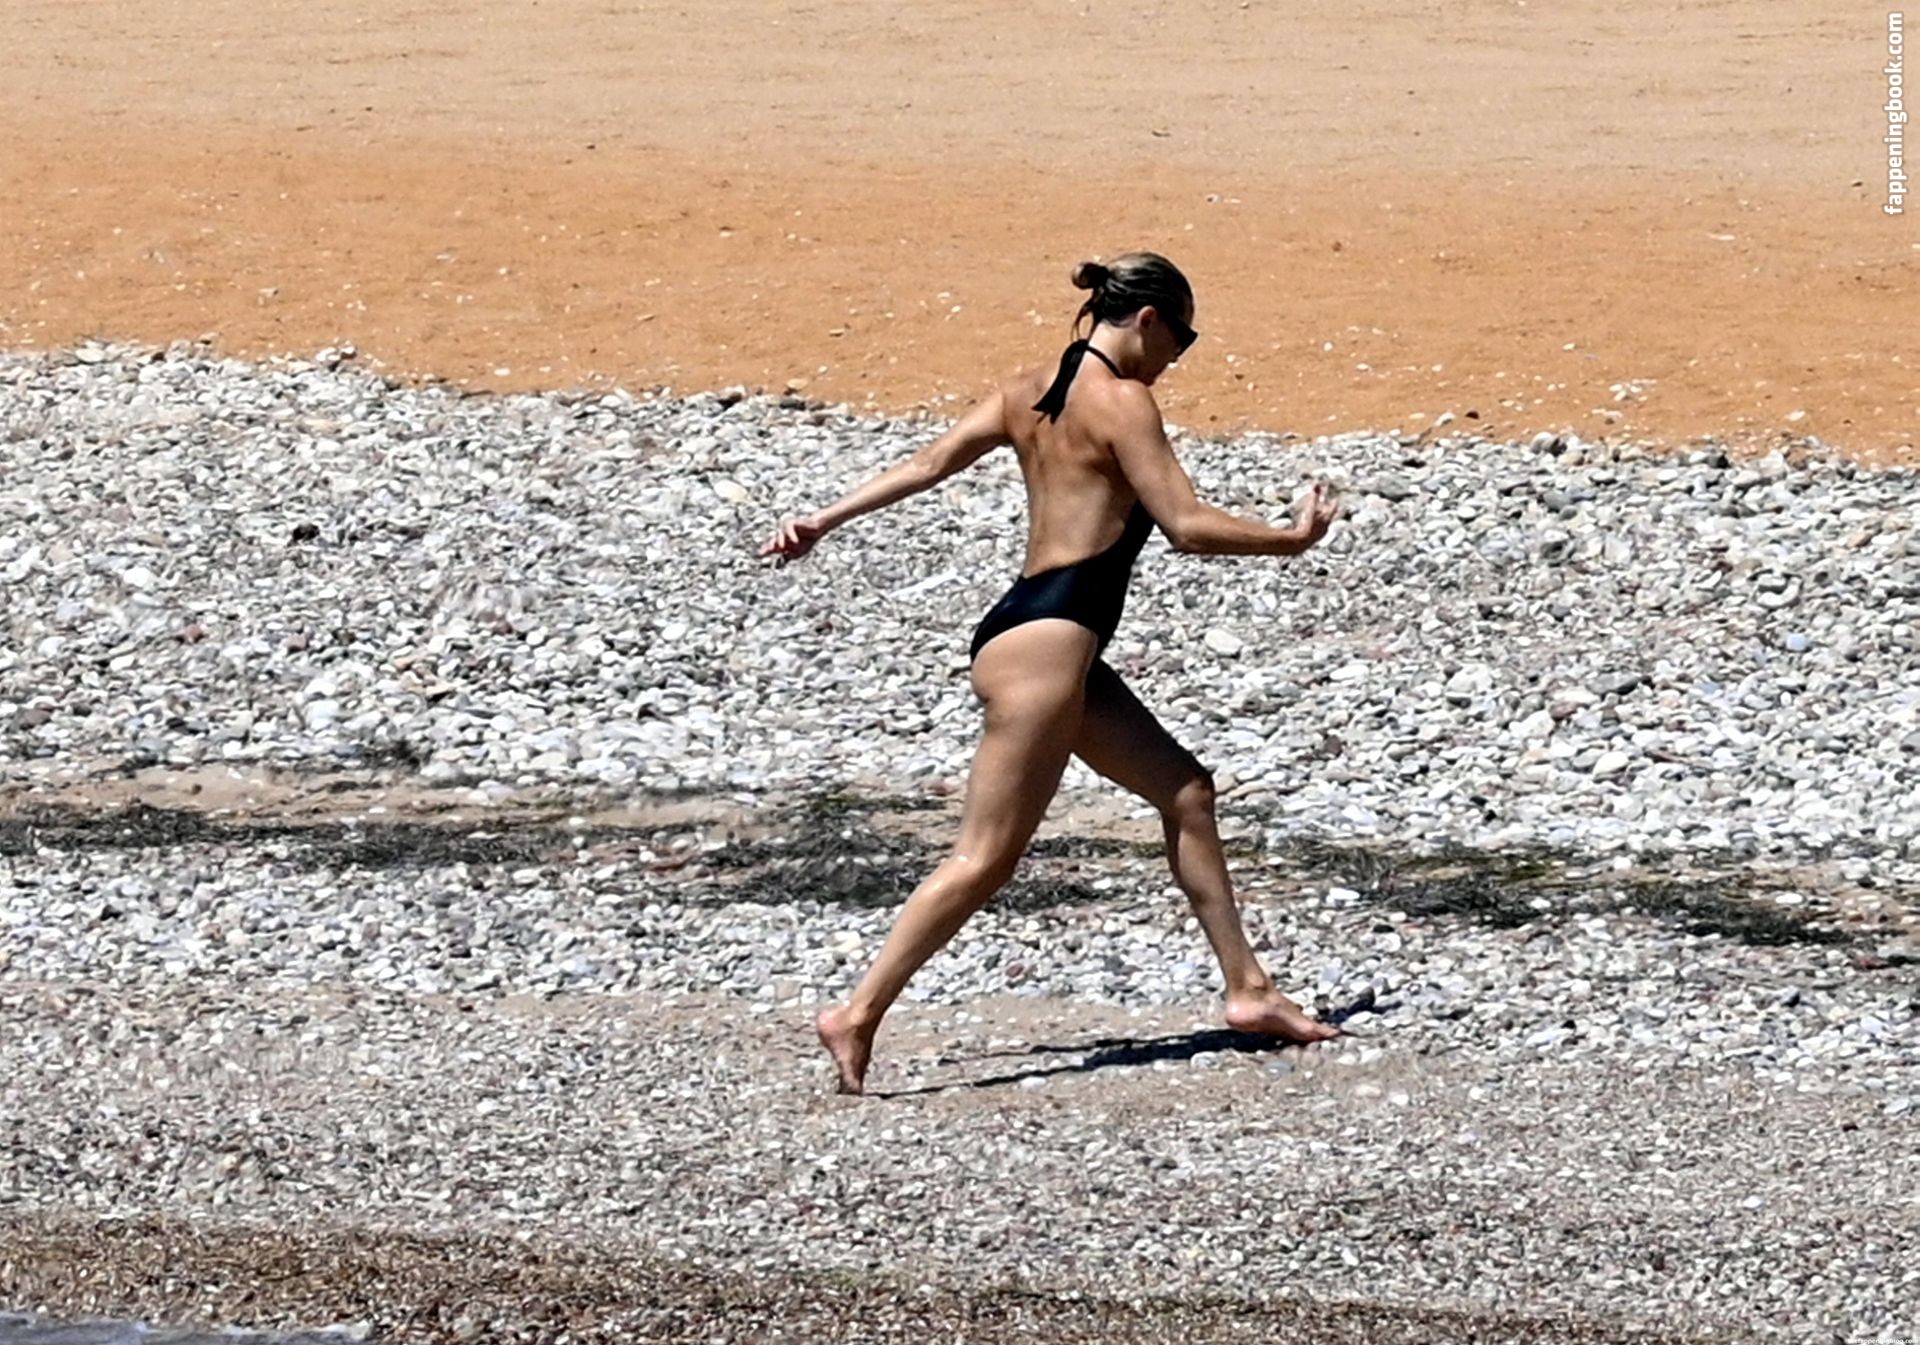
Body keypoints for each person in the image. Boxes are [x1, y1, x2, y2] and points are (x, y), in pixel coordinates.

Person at [759, 251, 1344, 1095]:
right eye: (1181, 339)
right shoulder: (1123, 401)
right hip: (1047, 651)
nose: (1177, 357)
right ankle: (856, 1012)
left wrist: (823, 518)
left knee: (1186, 791)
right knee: (984, 856)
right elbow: (1184, 524)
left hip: (1034, 634)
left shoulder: (1026, 389)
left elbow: (927, 464)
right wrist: (1289, 540)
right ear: (1148, 320)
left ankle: (1249, 990)